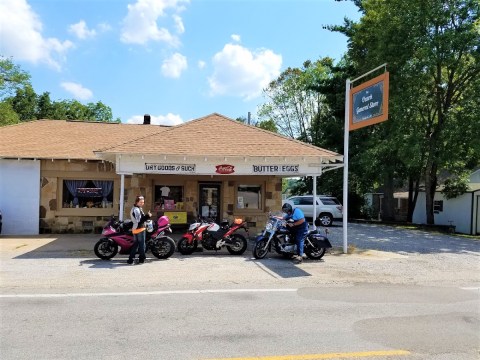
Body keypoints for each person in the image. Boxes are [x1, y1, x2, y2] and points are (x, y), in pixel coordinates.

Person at [127, 195, 151, 265]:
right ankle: (141, 259)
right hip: (139, 229)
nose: (142, 203)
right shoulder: (136, 209)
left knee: (136, 245)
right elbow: (139, 221)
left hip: (135, 229)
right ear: (137, 202)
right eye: (140, 202)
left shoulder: (136, 208)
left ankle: (131, 259)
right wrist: (148, 216)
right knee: (142, 245)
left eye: (143, 202)